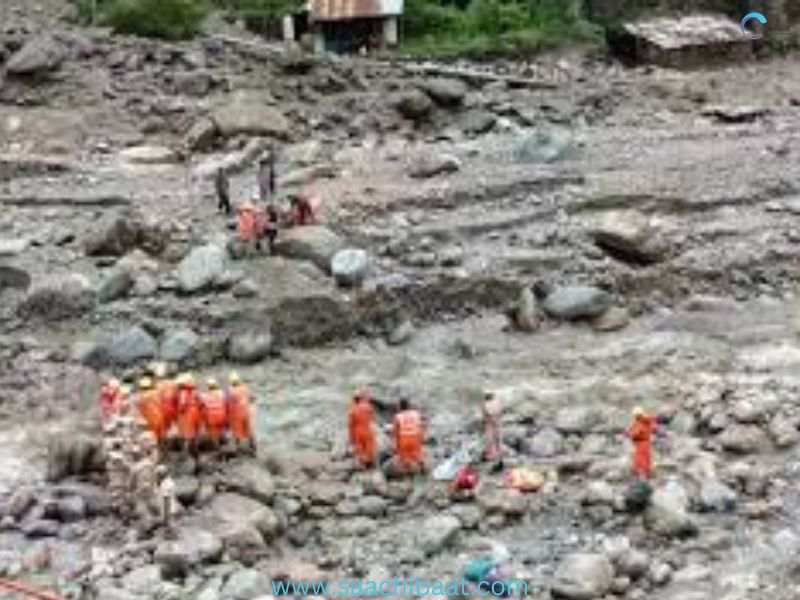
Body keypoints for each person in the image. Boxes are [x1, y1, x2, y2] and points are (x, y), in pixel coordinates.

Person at [392, 398, 424, 474]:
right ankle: (422, 466)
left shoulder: (398, 416)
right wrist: (421, 437)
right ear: (409, 405)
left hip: (404, 437)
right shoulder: (416, 414)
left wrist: (396, 444)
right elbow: (421, 426)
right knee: (417, 454)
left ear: (399, 407)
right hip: (415, 436)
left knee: (404, 456)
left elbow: (396, 431)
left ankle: (408, 470)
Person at [228, 372, 256, 454]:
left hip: (237, 415)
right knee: (249, 431)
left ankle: (239, 450)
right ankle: (253, 448)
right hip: (247, 413)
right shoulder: (245, 388)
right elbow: (252, 399)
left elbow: (228, 404)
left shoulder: (230, 391)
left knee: (237, 433)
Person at [348, 389, 377, 469]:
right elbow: (372, 418)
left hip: (358, 432)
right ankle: (371, 464)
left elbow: (351, 425)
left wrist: (351, 438)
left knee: (360, 450)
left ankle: (362, 465)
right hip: (368, 430)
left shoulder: (352, 410)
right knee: (370, 448)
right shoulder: (368, 406)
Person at [627, 406, 658, 480]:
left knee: (640, 458)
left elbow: (635, 433)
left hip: (640, 442)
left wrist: (628, 434)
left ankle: (642, 474)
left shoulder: (640, 422)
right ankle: (648, 473)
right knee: (647, 457)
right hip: (646, 442)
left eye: (635, 415)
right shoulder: (647, 421)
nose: (634, 417)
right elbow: (653, 428)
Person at [177, 373, 202, 457]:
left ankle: (185, 453)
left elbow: (182, 407)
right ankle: (196, 450)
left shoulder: (183, 393)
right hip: (196, 414)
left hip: (188, 416)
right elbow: (201, 403)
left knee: (188, 435)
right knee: (195, 434)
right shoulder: (195, 391)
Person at [137, 378, 166, 450]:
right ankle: (162, 452)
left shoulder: (142, 396)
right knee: (161, 437)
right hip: (160, 417)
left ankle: (154, 451)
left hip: (151, 419)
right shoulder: (157, 393)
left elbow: (142, 410)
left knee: (153, 438)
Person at [202, 378, 228, 449]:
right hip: (222, 416)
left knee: (214, 434)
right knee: (221, 429)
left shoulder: (204, 396)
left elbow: (202, 406)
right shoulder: (221, 393)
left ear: (208, 387)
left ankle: (217, 448)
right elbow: (226, 404)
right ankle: (223, 442)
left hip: (212, 417)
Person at [155, 364, 179, 441]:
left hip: (163, 409)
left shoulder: (158, 385)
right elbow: (177, 397)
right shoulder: (174, 384)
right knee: (178, 425)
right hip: (173, 408)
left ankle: (164, 444)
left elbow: (157, 399)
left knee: (164, 429)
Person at [482, 391, 502, 462]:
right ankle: (497, 454)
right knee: (497, 439)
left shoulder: (486, 405)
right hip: (497, 422)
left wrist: (483, 425)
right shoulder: (497, 403)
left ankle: (491, 455)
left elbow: (486, 417)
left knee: (490, 440)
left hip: (490, 424)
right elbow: (499, 413)